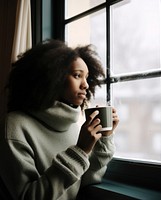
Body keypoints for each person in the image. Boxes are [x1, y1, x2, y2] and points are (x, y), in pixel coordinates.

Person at [0, 39, 119, 200]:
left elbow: (86, 180)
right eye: (77, 75)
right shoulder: (14, 126)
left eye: (87, 77)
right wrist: (80, 151)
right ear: (52, 77)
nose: (85, 84)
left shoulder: (73, 127)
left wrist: (103, 140)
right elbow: (28, 197)